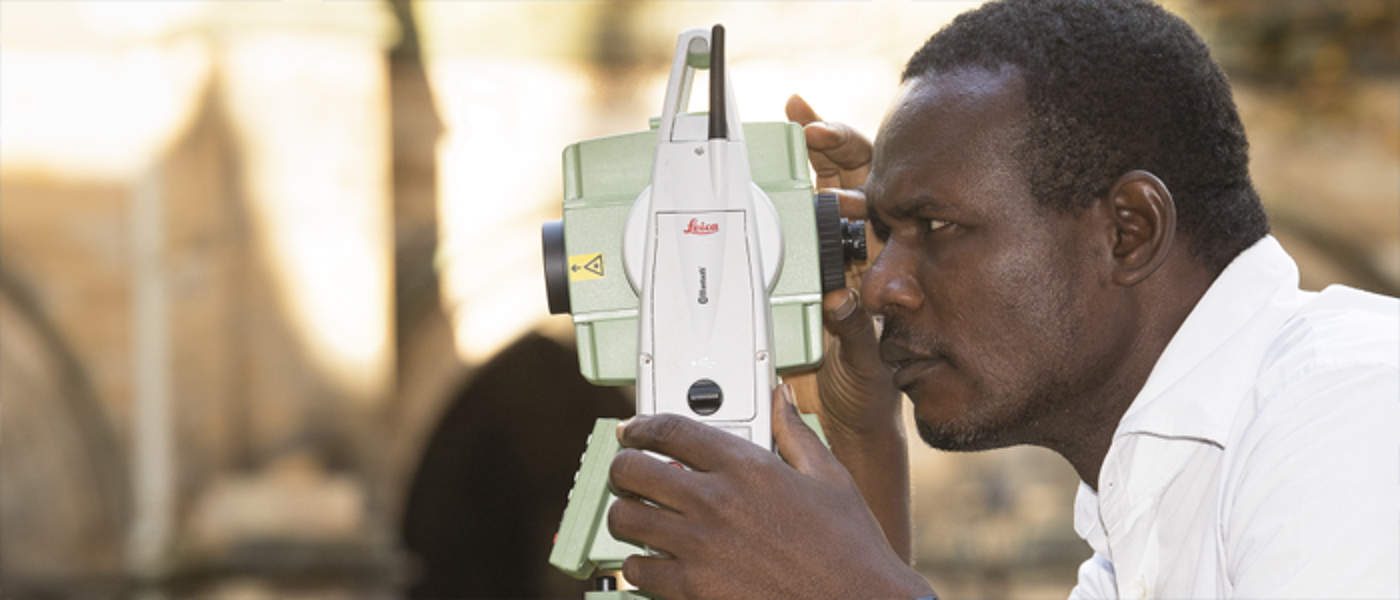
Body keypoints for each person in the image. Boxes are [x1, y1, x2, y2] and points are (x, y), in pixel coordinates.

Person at [605, 0, 1400, 597]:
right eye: (882, 232)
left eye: (936, 225)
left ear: (1128, 230)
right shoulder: (1141, 515)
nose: (882, 283)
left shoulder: (1350, 405)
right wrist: (857, 428)